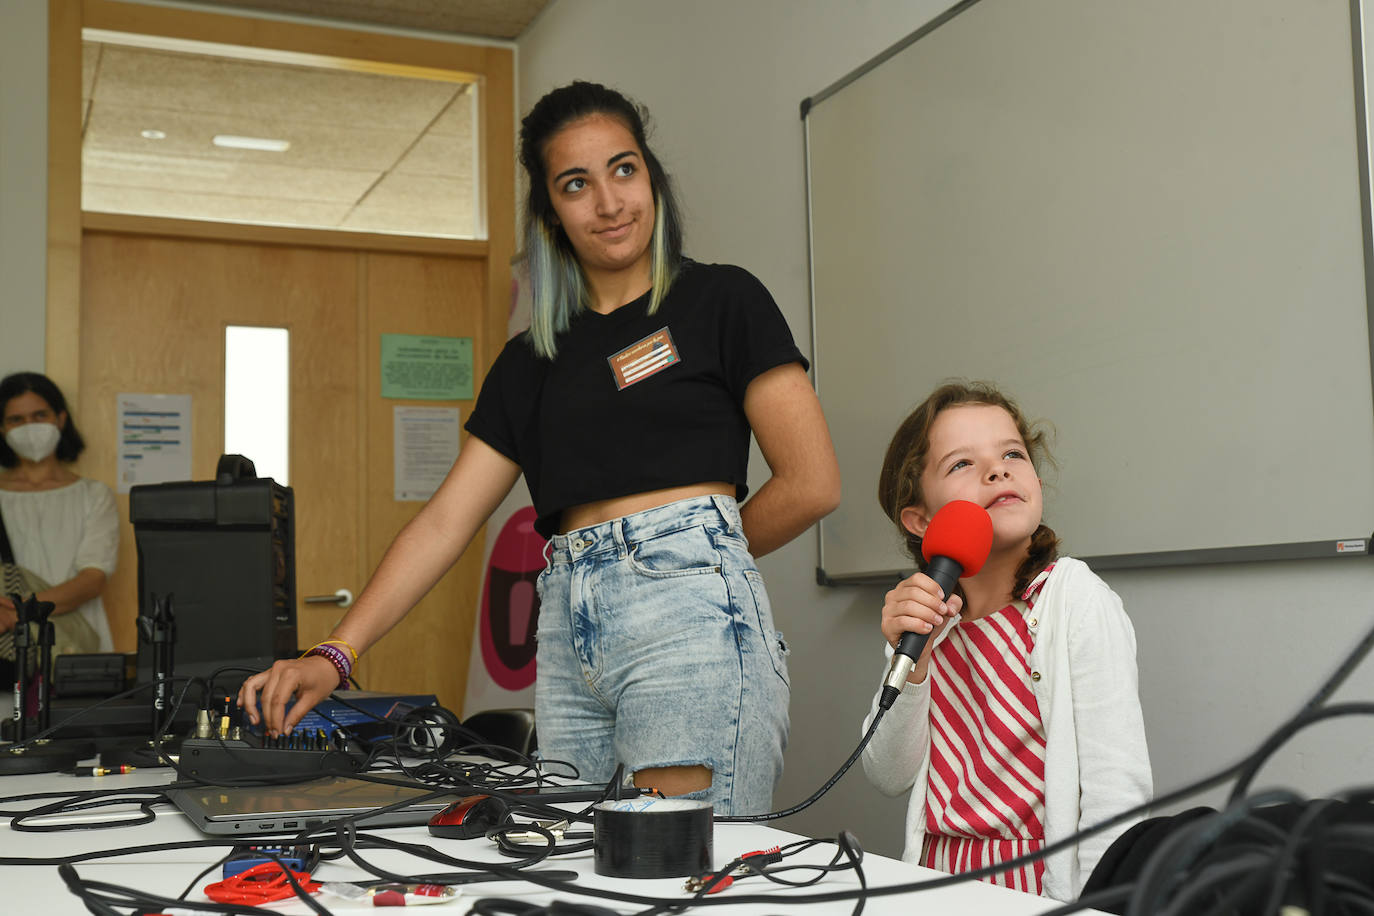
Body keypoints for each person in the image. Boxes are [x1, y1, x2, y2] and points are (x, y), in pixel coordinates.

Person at [239, 81, 840, 815]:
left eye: (624, 170)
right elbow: (444, 522)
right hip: (566, 631)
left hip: (689, 623)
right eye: (577, 184)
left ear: (653, 177)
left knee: (678, 869)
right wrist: (335, 653)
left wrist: (688, 553)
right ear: (552, 211)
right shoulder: (530, 361)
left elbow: (811, 482)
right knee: (572, 869)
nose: (610, 202)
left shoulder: (723, 301)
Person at [860, 381, 1150, 902]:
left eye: (1012, 453)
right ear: (921, 519)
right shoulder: (928, 619)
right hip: (935, 880)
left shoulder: (1073, 600)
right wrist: (915, 664)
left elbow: (1117, 792)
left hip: (1037, 887)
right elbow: (886, 773)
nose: (997, 470)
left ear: (1035, 478)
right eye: (961, 464)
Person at [0, 372, 119, 678]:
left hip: (74, 646)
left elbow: (93, 579)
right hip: (7, 652)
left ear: (60, 419)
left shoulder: (94, 495)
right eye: (16, 419)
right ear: (2, 428)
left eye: (40, 415)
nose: (30, 427)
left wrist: (20, 612)